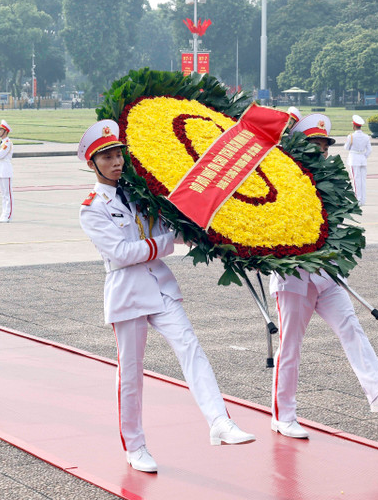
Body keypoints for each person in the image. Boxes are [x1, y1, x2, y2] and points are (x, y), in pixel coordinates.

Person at [78, 119, 255, 473]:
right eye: (107, 156)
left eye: (118, 155)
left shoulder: (141, 194)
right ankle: (136, 446)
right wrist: (165, 243)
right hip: (127, 292)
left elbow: (169, 230)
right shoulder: (91, 207)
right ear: (92, 163)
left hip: (159, 286)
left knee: (191, 347)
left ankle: (220, 421)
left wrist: (211, 238)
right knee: (131, 373)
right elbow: (122, 253)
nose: (116, 162)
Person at [270, 114, 378, 440]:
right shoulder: (279, 179)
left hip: (326, 274)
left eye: (323, 146)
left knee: (352, 328)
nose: (321, 151)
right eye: (314, 145)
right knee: (290, 347)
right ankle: (283, 415)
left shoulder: (329, 181)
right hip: (293, 278)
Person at [344, 114, 371, 207]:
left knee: (356, 181)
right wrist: (363, 156)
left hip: (354, 159)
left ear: (354, 126)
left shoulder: (351, 136)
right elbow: (369, 150)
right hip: (362, 159)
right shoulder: (366, 136)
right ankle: (363, 200)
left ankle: (357, 200)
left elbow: (346, 147)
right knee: (363, 180)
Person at [0, 120, 14, 223]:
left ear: (5, 131)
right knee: (3, 194)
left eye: (0, 129)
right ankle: (3, 214)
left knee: (7, 194)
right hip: (0, 170)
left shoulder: (7, 143)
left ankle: (8, 215)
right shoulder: (2, 143)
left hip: (6, 170)